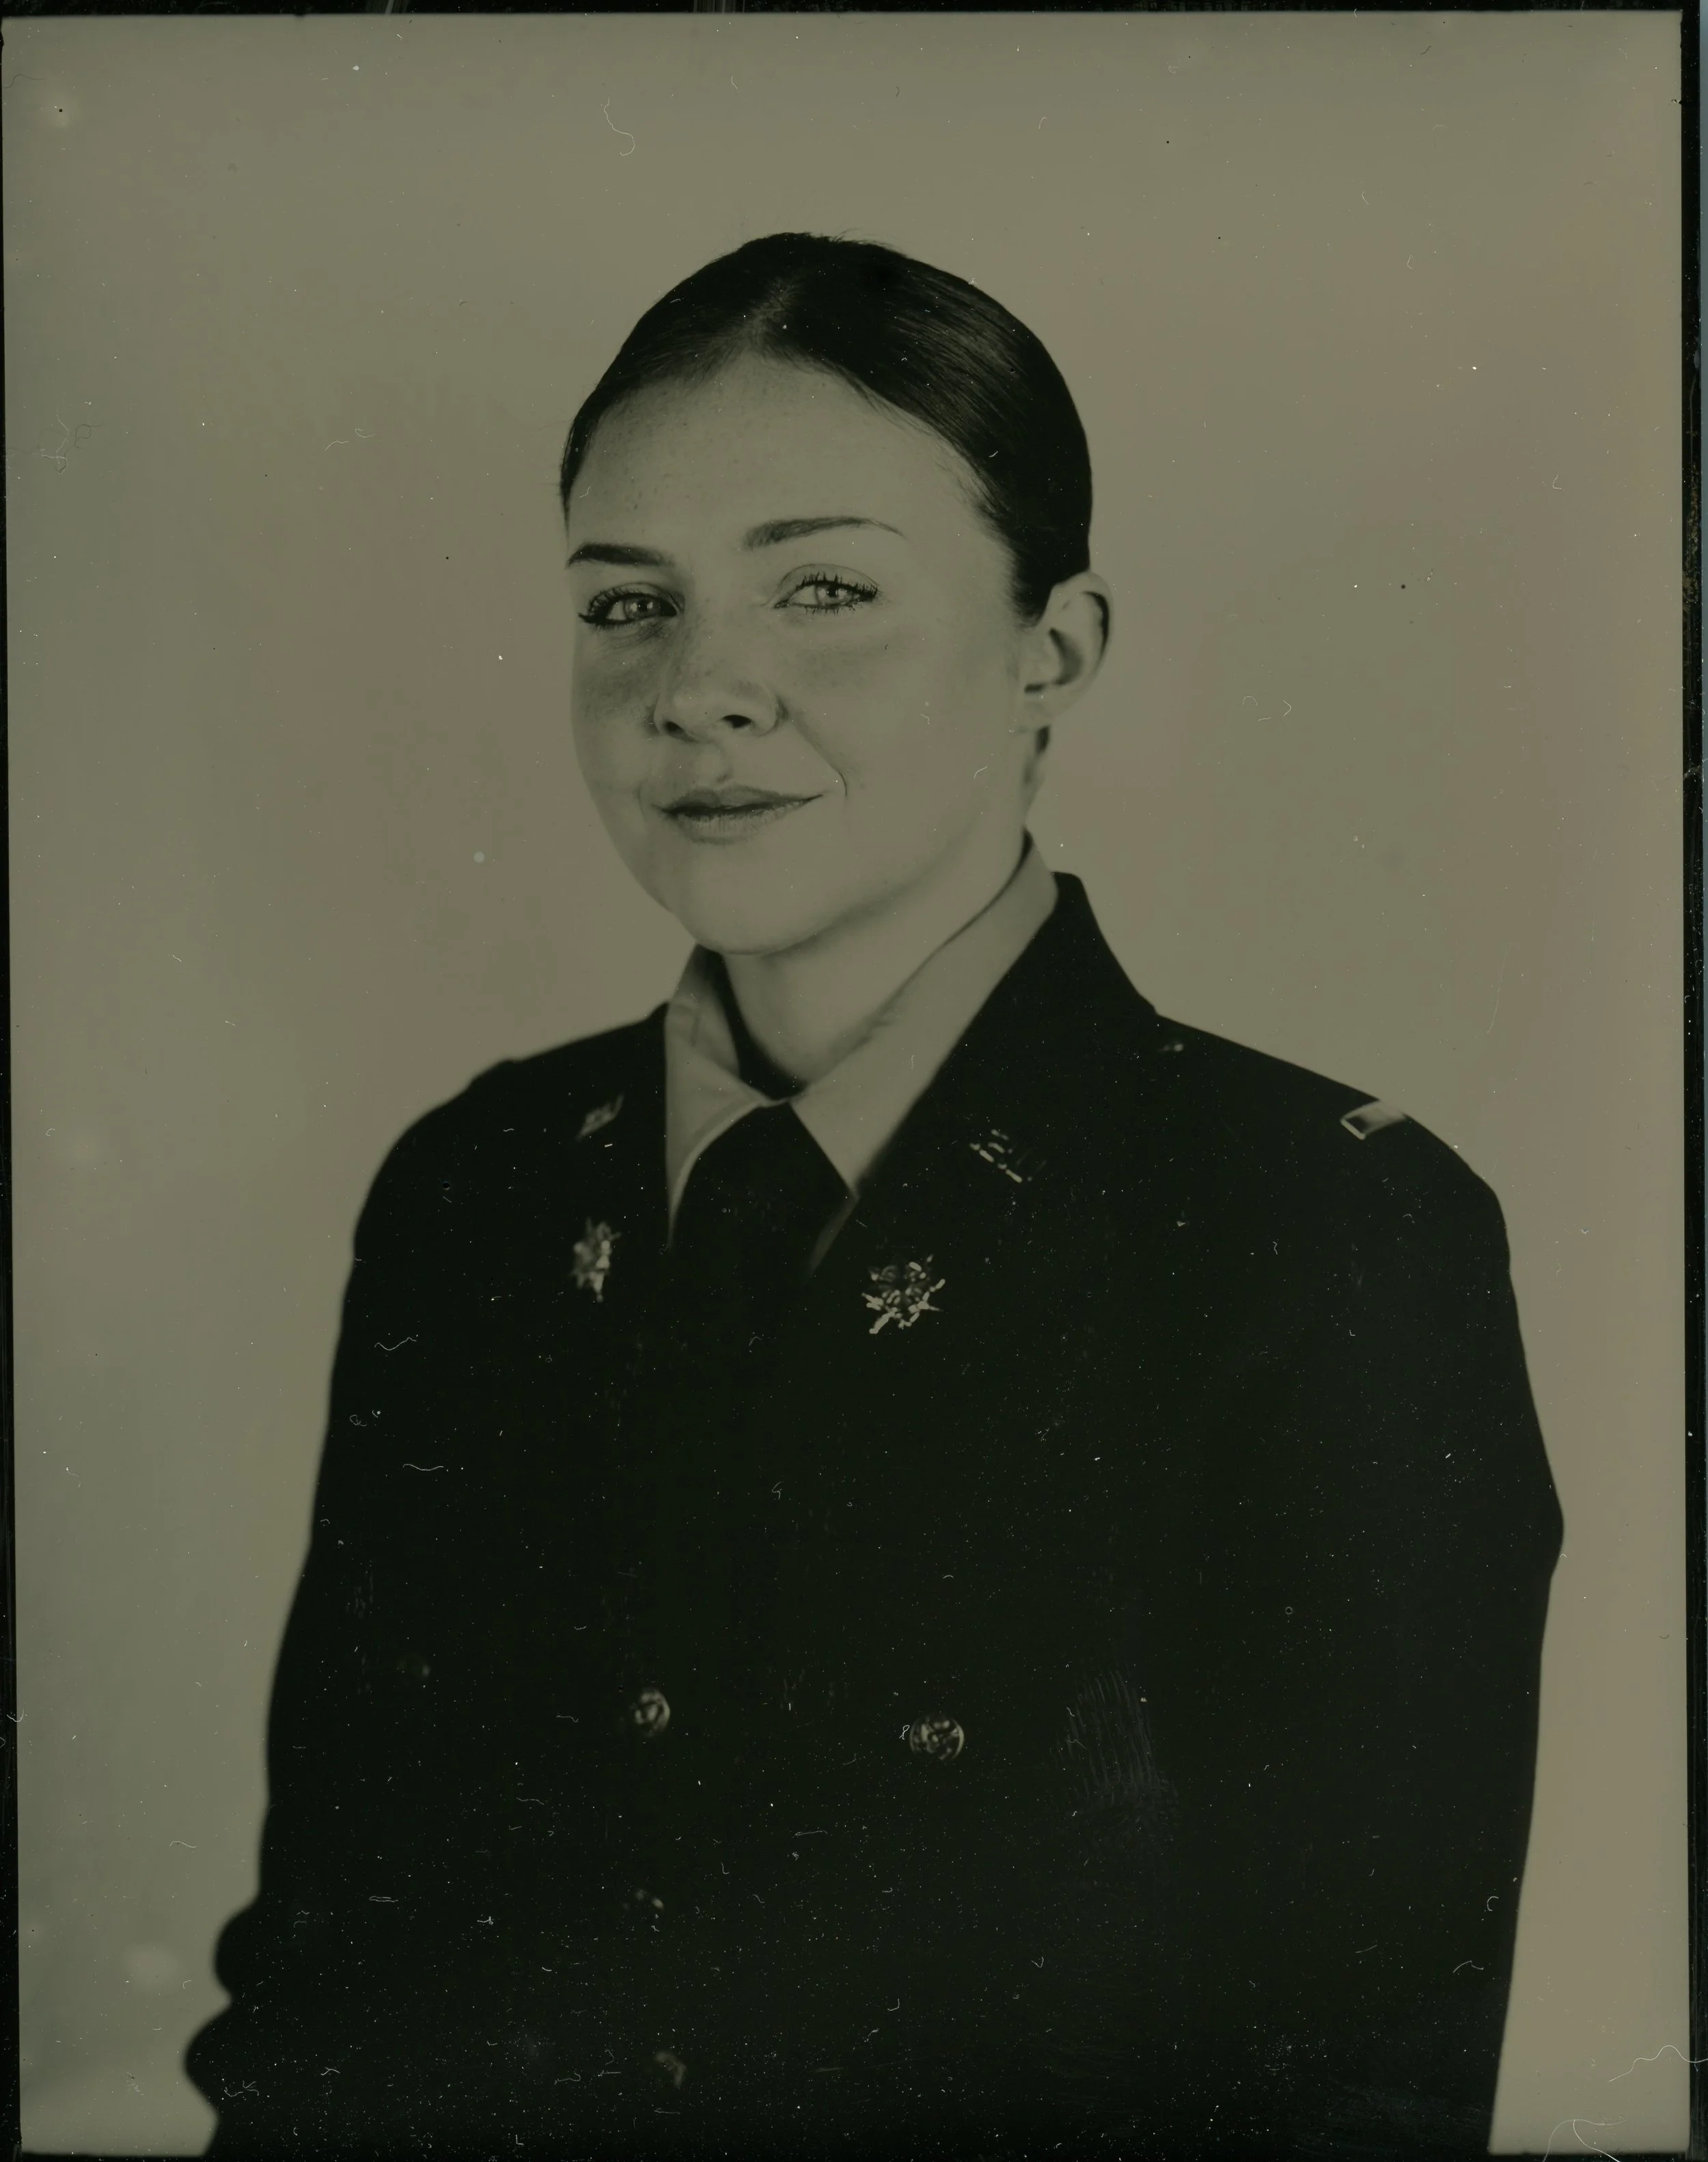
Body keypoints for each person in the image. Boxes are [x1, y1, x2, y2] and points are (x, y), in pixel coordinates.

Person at [187, 232, 1563, 2157]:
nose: (699, 690)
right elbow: (325, 1992)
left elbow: (1348, 2083)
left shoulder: (1318, 1233)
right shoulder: (475, 1190)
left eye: (822, 589)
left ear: (1051, 651)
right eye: (625, 605)